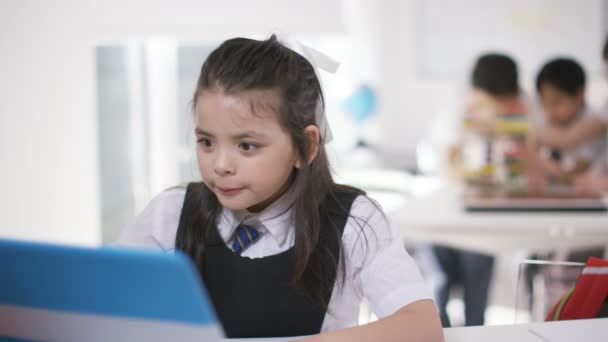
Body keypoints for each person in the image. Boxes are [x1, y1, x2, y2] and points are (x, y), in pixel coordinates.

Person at [117, 34, 443, 341]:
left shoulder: (354, 221)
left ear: (306, 146)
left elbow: (422, 326)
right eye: (206, 142)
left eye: (246, 146)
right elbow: (106, 303)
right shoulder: (170, 213)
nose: (220, 165)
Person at [435, 53, 533, 327]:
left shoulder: (524, 108)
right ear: (475, 92)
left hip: (489, 211)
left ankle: (475, 329)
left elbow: (529, 158)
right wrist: (472, 181)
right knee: (439, 283)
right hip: (450, 209)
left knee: (477, 278)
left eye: (501, 104)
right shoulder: (456, 109)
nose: (494, 109)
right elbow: (446, 164)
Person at [535, 36, 608, 194]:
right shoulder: (547, 119)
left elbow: (573, 172)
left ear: (579, 95)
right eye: (544, 103)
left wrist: (536, 157)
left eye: (556, 102)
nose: (549, 111)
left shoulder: (594, 121)